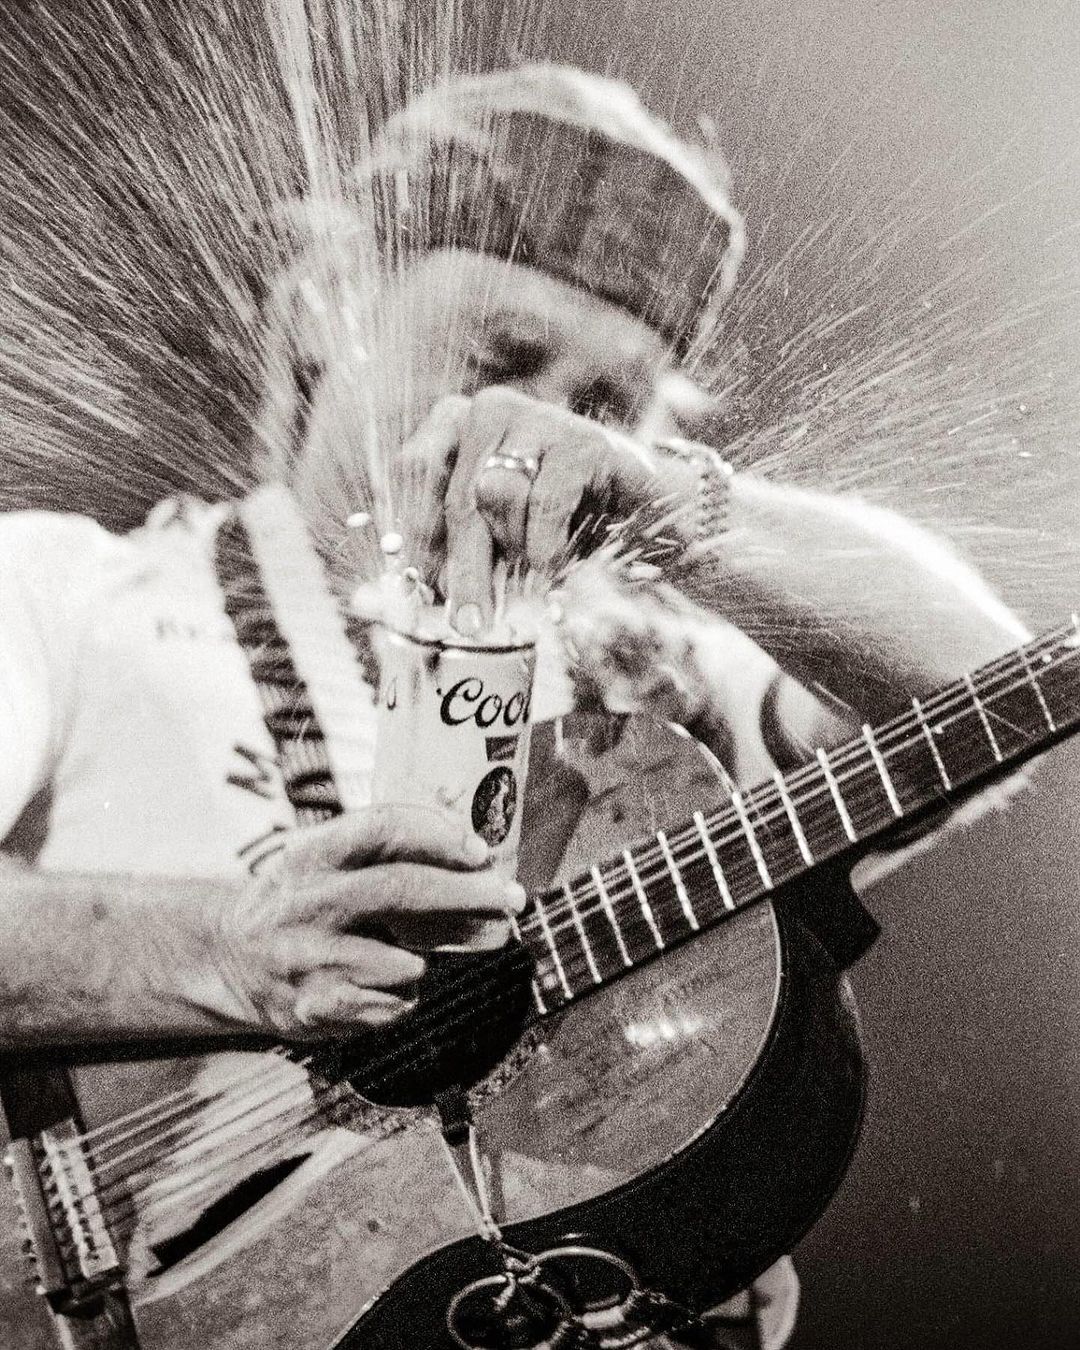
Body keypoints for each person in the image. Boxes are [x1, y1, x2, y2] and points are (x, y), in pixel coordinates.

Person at [0, 63, 1027, 1349]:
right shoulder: (63, 591)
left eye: (604, 404)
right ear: (328, 301)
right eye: (502, 355)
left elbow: (999, 690)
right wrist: (228, 949)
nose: (528, 426)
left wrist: (672, 507)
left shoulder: (652, 692)